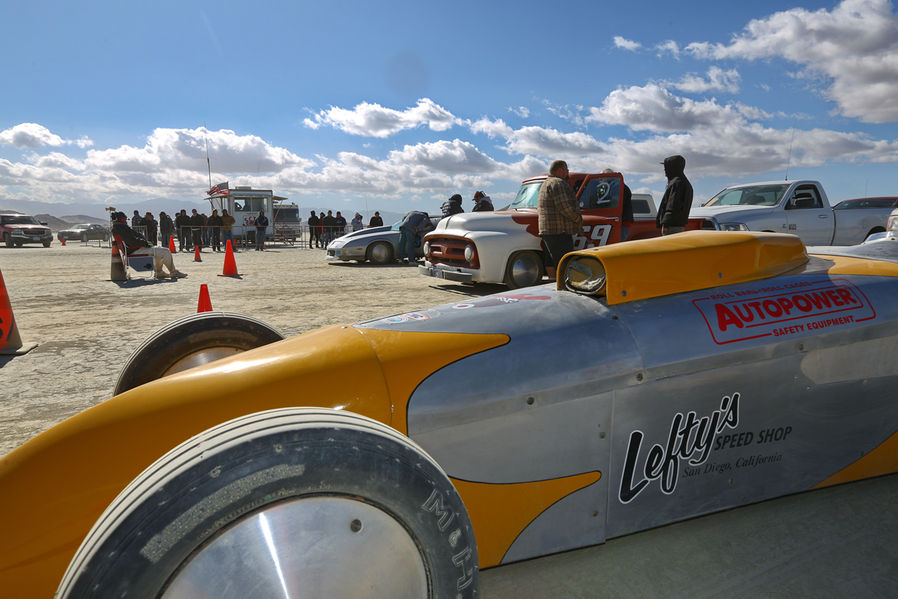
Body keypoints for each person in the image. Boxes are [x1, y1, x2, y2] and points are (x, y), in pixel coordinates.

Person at [538, 160, 582, 274]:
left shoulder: (545, 183)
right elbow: (564, 207)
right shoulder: (558, 183)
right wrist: (577, 218)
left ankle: (552, 283)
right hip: (560, 231)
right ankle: (565, 287)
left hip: (548, 230)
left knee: (550, 260)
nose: (568, 171)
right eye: (566, 169)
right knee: (565, 261)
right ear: (560, 170)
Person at [111, 212, 186, 279]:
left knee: (158, 252)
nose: (126, 220)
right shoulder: (121, 227)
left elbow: (131, 239)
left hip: (133, 249)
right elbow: (131, 240)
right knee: (166, 251)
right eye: (125, 218)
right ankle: (173, 272)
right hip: (135, 250)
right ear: (121, 219)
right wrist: (144, 243)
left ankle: (159, 272)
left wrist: (144, 242)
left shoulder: (118, 227)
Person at [656, 154, 693, 236]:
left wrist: (665, 224)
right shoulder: (684, 182)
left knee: (668, 246)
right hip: (679, 225)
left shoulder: (677, 183)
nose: (664, 169)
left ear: (673, 167)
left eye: (667, 166)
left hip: (671, 226)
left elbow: (672, 206)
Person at [602, 169, 634, 241]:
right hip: (622, 220)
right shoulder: (618, 186)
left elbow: (614, 202)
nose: (603, 179)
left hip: (622, 221)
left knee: (617, 242)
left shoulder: (618, 187)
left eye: (605, 177)